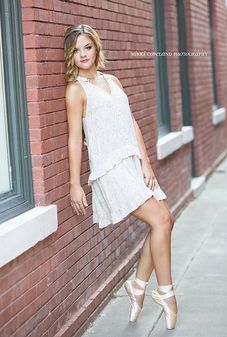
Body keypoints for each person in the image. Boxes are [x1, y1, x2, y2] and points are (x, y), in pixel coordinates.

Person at [64, 24, 178, 330]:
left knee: (164, 221)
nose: (82, 54)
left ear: (96, 47)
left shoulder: (112, 80)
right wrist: (75, 184)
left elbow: (131, 123)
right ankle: (165, 292)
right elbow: (75, 139)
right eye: (76, 50)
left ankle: (138, 286)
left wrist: (146, 164)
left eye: (87, 47)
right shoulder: (76, 90)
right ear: (70, 56)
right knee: (162, 220)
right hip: (109, 170)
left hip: (131, 164)